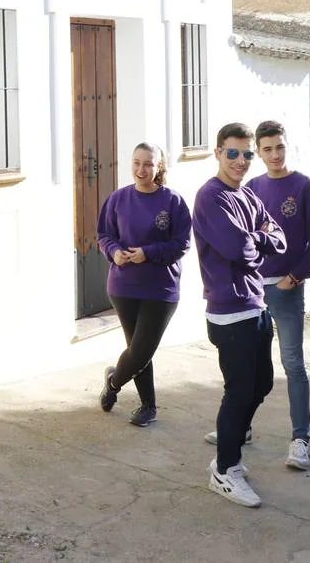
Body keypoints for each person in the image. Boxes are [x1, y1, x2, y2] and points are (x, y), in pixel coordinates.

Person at [193, 122, 287, 508]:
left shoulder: (247, 196)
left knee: (261, 384)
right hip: (229, 313)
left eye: (247, 154)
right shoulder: (210, 198)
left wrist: (256, 237)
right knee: (238, 392)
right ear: (218, 153)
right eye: (232, 153)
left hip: (256, 305)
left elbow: (277, 240)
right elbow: (237, 248)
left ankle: (228, 452)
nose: (241, 161)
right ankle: (224, 469)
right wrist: (256, 238)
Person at [242, 120, 310, 471]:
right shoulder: (251, 188)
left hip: (287, 289)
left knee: (293, 364)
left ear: (286, 146)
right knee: (249, 364)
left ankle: (301, 440)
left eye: (279, 147)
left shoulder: (305, 187)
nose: (275, 155)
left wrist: (295, 277)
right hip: (252, 291)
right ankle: (241, 427)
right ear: (258, 152)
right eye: (267, 149)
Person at [96, 142, 191, 427]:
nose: (141, 169)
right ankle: (148, 406)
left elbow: (182, 243)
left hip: (161, 289)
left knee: (141, 350)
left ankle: (113, 382)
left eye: (148, 164)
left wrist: (147, 253)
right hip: (123, 287)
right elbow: (104, 235)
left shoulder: (173, 201)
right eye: (137, 163)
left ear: (159, 166)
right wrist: (114, 252)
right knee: (136, 347)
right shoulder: (117, 199)